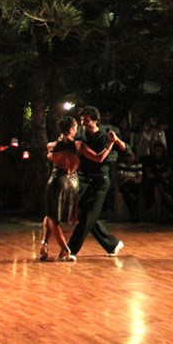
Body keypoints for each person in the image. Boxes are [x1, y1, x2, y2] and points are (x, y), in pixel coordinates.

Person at [39, 116, 114, 262]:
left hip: (57, 180)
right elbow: (99, 158)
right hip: (73, 182)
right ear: (73, 129)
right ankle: (47, 244)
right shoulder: (79, 145)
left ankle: (62, 248)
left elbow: (52, 157)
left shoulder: (51, 145)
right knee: (51, 215)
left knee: (52, 216)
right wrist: (110, 144)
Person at [67, 106, 127, 258]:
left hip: (101, 181)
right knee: (85, 213)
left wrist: (113, 142)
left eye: (86, 120)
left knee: (88, 216)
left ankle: (70, 250)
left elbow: (101, 158)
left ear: (95, 121)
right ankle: (112, 244)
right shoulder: (83, 138)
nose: (83, 123)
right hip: (87, 181)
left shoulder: (104, 137)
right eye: (81, 120)